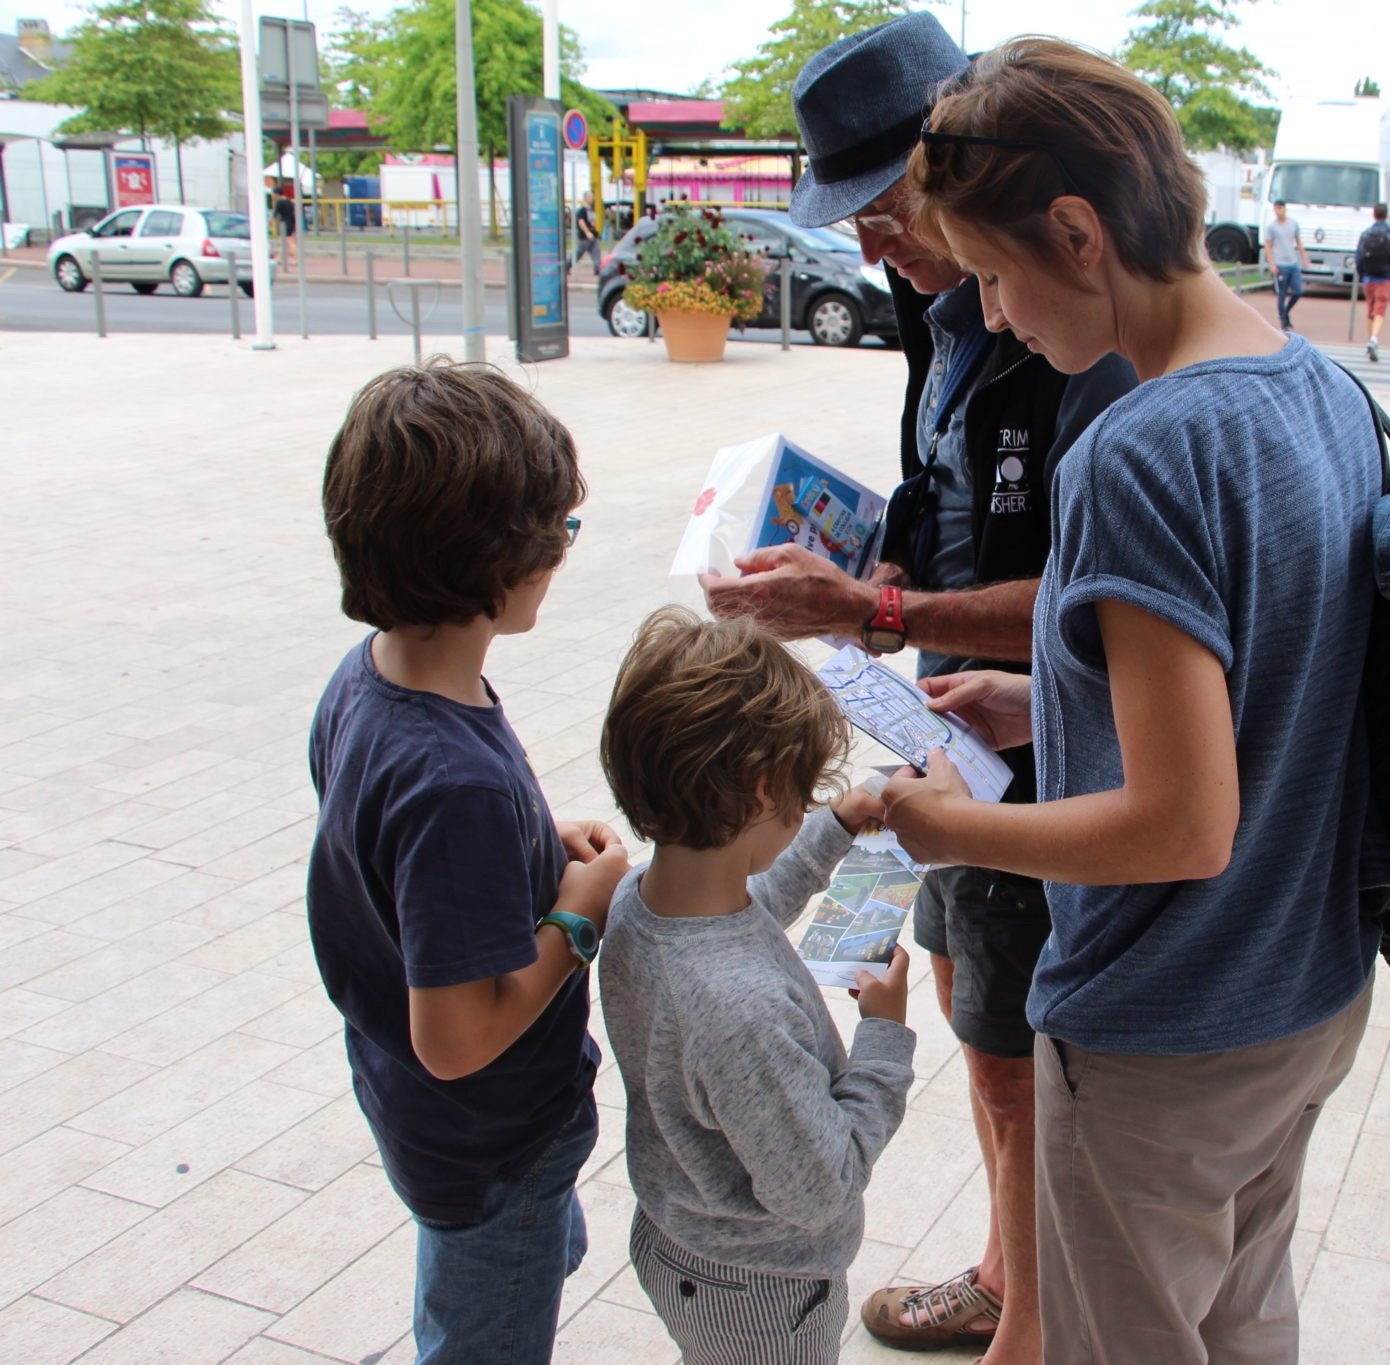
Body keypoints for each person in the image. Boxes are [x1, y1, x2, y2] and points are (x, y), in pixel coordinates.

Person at [886, 38, 1390, 1364]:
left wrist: (952, 830)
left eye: (994, 274)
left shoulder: (1139, 444)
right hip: (1306, 991)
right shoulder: (1318, 388)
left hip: (1168, 1019)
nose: (993, 315)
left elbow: (1182, 827)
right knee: (1242, 1323)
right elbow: (1273, 693)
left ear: (1075, 231)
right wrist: (1043, 700)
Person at [703, 14, 1136, 1363]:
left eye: (887, 211)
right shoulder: (939, 312)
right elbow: (944, 504)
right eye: (860, 223)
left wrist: (882, 607)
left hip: (1043, 753)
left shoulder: (1081, 335)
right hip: (945, 728)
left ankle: (1032, 1317)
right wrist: (843, 558)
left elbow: (1101, 590)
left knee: (1015, 1046)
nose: (873, 248)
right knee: (967, 1000)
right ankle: (1011, 1271)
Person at [306, 362, 629, 1363]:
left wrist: (531, 857)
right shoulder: (455, 784)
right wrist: (576, 915)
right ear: (496, 559)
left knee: (507, 1265)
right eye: (558, 537)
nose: (563, 557)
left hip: (423, 1113)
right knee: (483, 1328)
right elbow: (452, 1038)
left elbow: (406, 873)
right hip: (486, 1139)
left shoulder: (367, 683)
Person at [597, 606, 915, 1363]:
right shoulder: (740, 1010)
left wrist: (835, 826)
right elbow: (821, 1184)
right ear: (761, 787)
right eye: (804, 795)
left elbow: (753, 903)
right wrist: (885, 1036)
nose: (807, 806)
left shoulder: (644, 901)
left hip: (683, 1237)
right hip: (764, 1286)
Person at [1353, 201, 1390, 362]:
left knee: (1370, 310)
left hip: (1368, 278)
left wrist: (1361, 273)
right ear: (1386, 215)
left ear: (1374, 215)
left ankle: (1370, 340)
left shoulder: (1366, 233)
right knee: (1380, 310)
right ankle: (1373, 340)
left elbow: (1358, 256)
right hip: (1385, 277)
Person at [1264, 198, 1304, 331]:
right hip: (1280, 263)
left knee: (1297, 291)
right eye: (1275, 208)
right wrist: (1272, 264)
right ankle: (1283, 320)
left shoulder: (1293, 224)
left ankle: (1286, 312)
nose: (1278, 211)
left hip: (1292, 262)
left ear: (1285, 208)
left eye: (1280, 208)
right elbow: (1268, 246)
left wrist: (1304, 257)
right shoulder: (1272, 227)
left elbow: (1298, 241)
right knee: (1282, 293)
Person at [272, 173, 299, 269]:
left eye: (274, 194)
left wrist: (271, 222)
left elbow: (276, 214)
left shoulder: (279, 202)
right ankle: (279, 258)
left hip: (284, 223)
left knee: (290, 242)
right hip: (291, 222)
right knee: (283, 242)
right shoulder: (289, 201)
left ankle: (297, 259)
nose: (273, 195)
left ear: (277, 194)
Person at [573, 192, 601, 277]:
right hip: (585, 237)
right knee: (578, 253)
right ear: (585, 198)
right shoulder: (582, 211)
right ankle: (567, 266)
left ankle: (597, 269)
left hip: (593, 236)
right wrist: (587, 232)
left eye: (592, 197)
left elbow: (592, 222)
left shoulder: (591, 210)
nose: (592, 198)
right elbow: (580, 221)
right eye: (590, 197)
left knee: (596, 253)